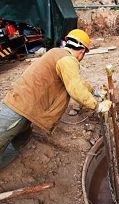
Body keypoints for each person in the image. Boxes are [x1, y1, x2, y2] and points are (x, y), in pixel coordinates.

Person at [0, 29, 112, 169]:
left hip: (24, 108)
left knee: (22, 138)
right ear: (82, 51)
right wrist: (97, 106)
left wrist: (93, 91)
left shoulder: (56, 53)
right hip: (17, 108)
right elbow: (75, 88)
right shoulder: (68, 60)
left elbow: (76, 81)